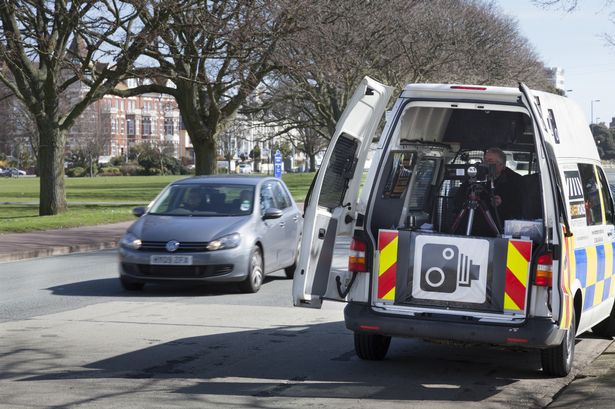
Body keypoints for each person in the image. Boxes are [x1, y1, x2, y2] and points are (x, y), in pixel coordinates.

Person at [453, 147, 524, 236]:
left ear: (502, 166)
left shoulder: (514, 182)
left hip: (497, 230)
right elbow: (457, 201)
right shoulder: (474, 177)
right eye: (484, 161)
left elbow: (519, 210)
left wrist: (502, 204)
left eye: (490, 161)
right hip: (470, 227)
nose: (485, 165)